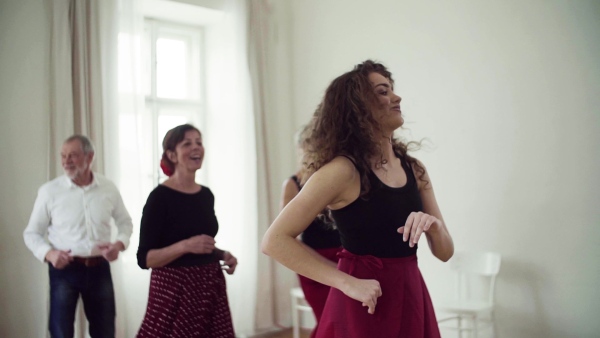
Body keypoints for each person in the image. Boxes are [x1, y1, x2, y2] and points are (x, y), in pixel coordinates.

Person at [262, 60, 454, 338]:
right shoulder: (341, 171)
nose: (396, 97)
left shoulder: (415, 168)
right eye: (383, 91)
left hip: (411, 292)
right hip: (365, 302)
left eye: (392, 90)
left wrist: (434, 226)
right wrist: (347, 283)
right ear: (358, 107)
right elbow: (274, 241)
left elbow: (445, 253)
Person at [23, 134, 133, 338]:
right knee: (60, 332)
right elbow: (31, 233)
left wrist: (119, 245)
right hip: (65, 271)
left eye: (72, 155)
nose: (66, 161)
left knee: (105, 331)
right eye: (63, 155)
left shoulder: (108, 188)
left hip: (100, 268)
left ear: (90, 157)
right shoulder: (49, 191)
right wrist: (49, 254)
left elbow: (125, 223)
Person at [136, 123, 238, 338]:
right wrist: (185, 246)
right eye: (187, 143)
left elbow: (202, 242)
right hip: (173, 293)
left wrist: (222, 254)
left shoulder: (206, 195)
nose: (196, 148)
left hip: (209, 288)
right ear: (172, 155)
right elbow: (145, 259)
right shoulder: (159, 198)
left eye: (199, 142)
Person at [280, 123, 342, 337]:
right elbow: (287, 236)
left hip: (344, 258)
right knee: (327, 319)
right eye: (308, 147)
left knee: (344, 319)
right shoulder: (293, 183)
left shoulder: (336, 178)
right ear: (300, 150)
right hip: (312, 262)